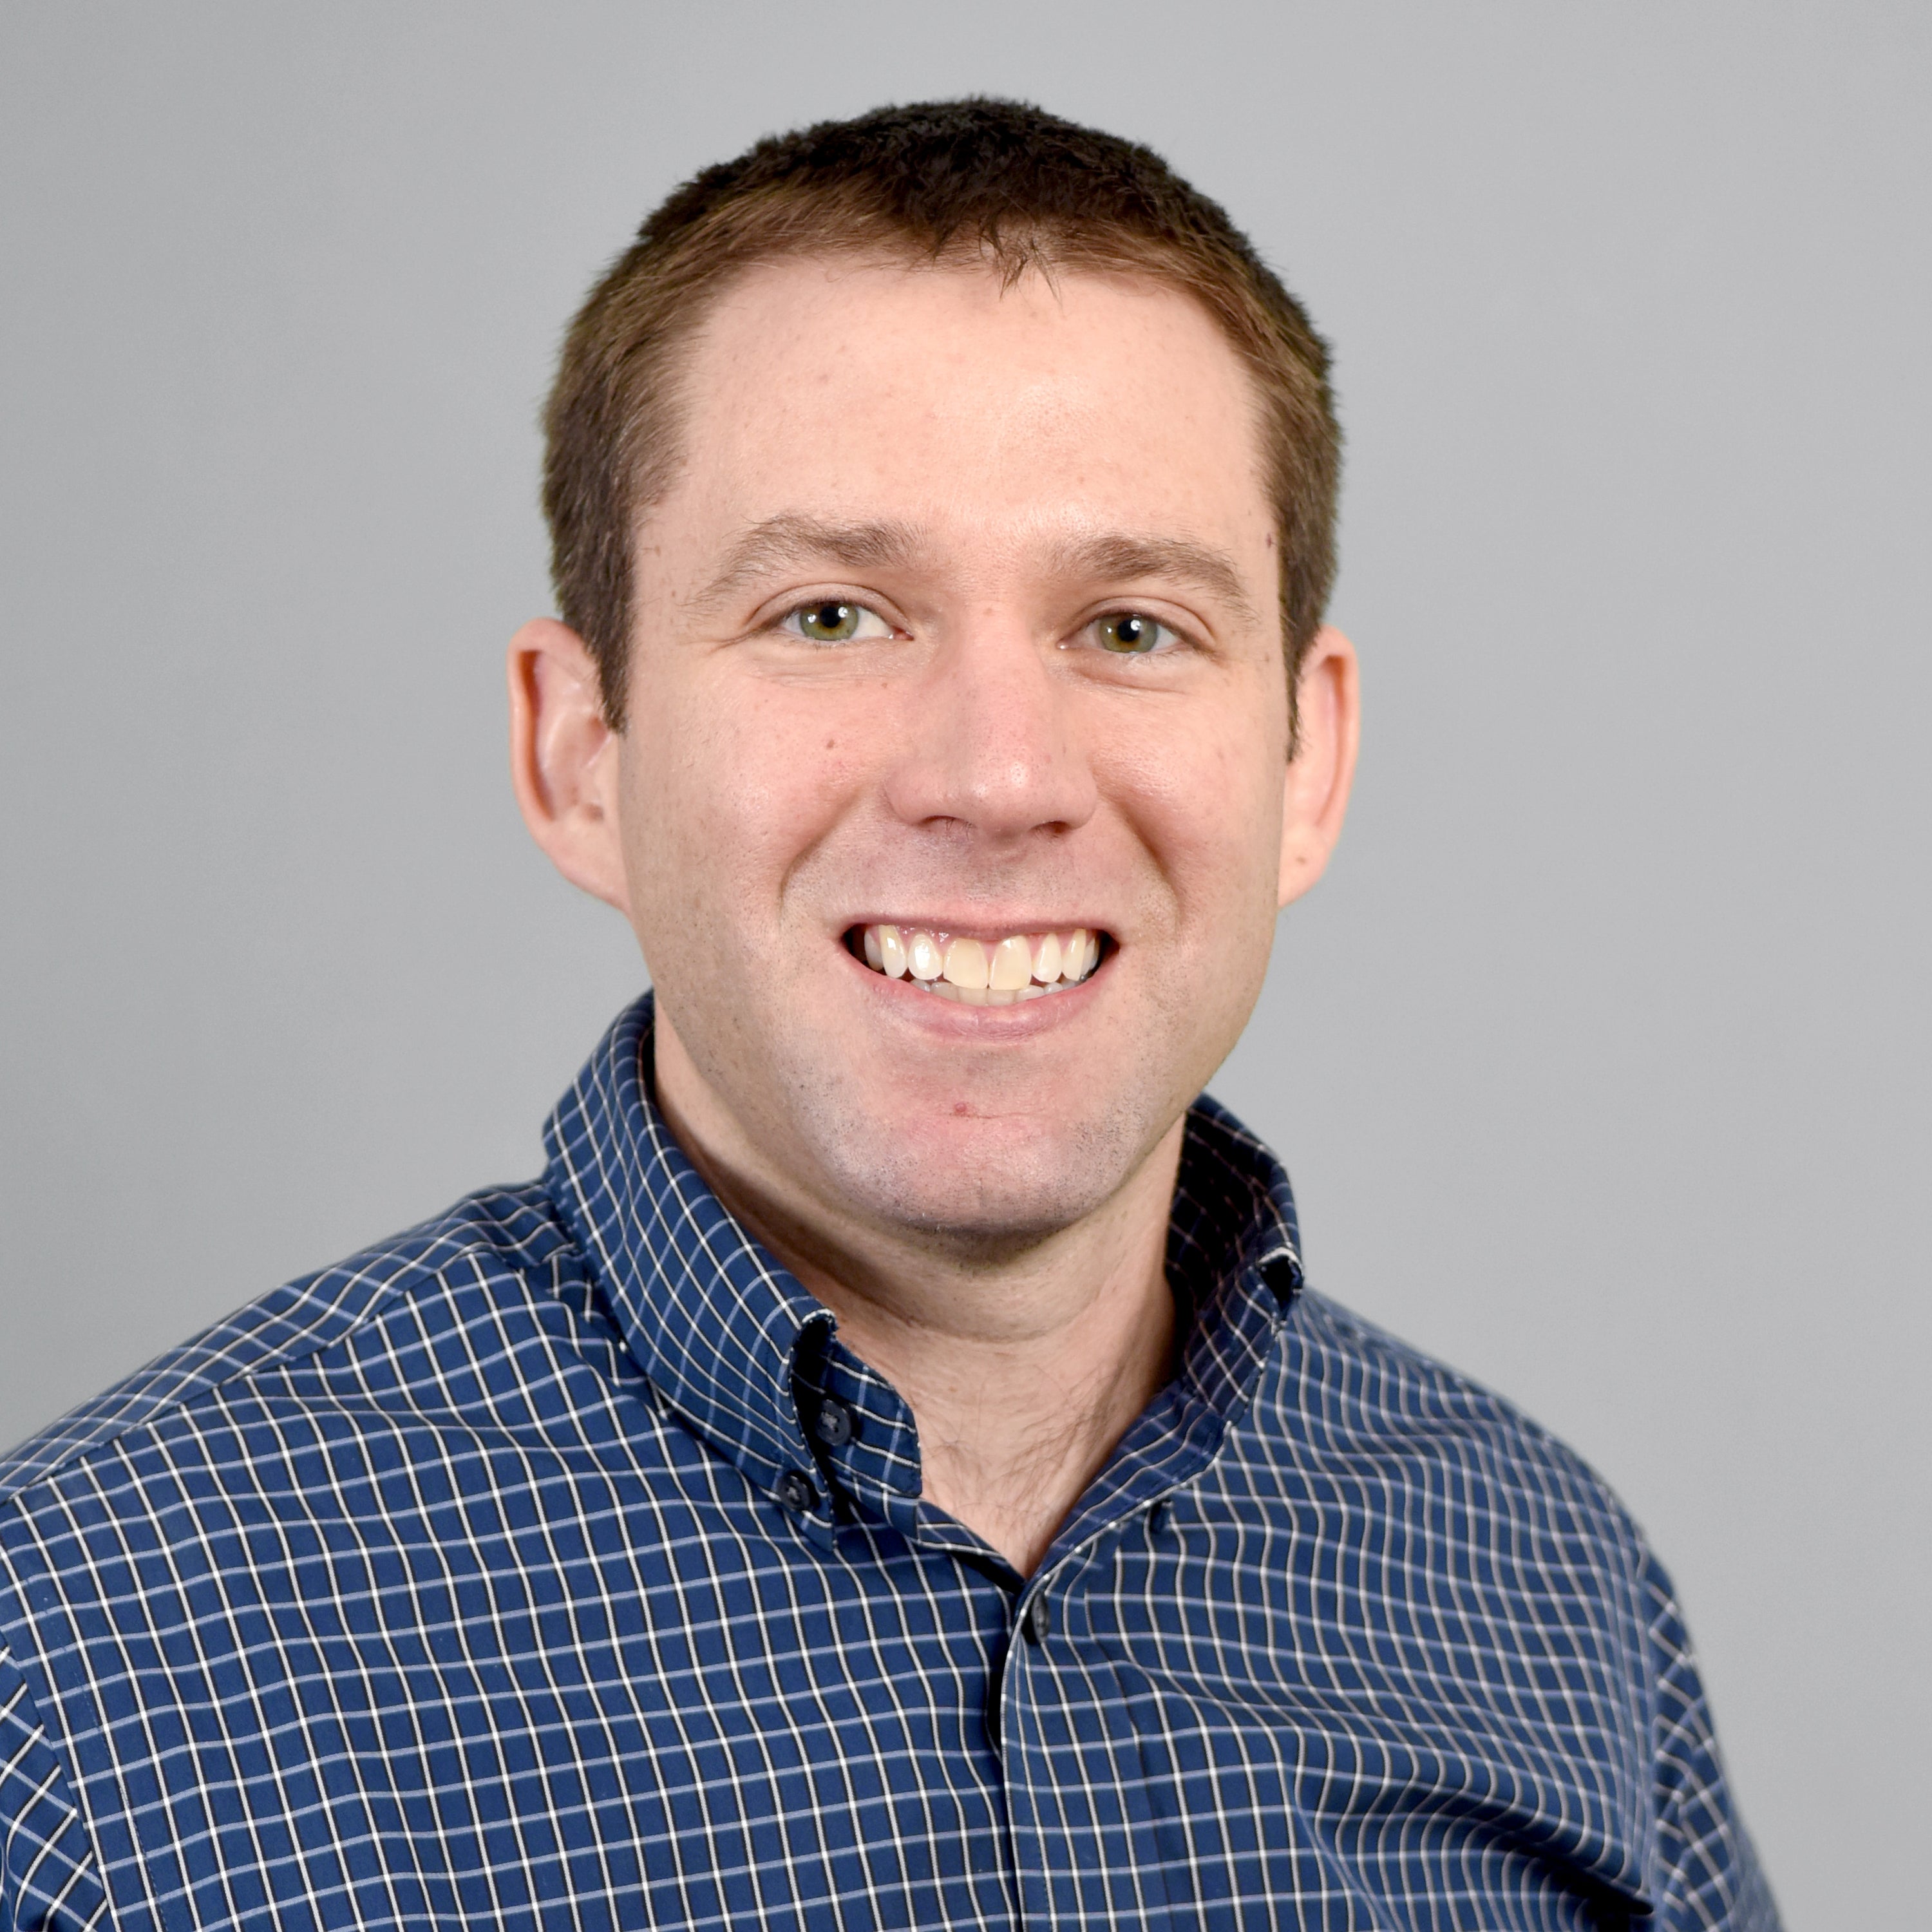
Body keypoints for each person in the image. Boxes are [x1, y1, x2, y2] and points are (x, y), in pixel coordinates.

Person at [0, 99, 1776, 1931]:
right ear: (580, 751)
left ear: (1305, 759)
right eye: (834, 615)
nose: (1000, 778)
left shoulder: (1546, 1594)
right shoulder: (79, 1674)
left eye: (1132, 627)